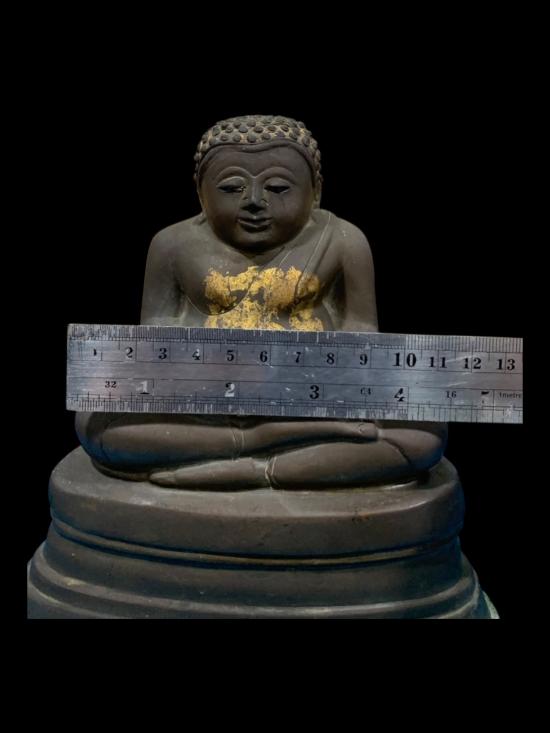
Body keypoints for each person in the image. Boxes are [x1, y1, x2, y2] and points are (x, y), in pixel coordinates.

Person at [76, 115, 446, 489]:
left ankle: (258, 470)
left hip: (312, 401)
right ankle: (260, 444)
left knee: (423, 437)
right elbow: (152, 344)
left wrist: (316, 383)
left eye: (278, 187)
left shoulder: (343, 241)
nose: (254, 201)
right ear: (201, 194)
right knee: (97, 425)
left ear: (315, 192)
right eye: (232, 187)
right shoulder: (172, 245)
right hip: (204, 406)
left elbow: (362, 337)